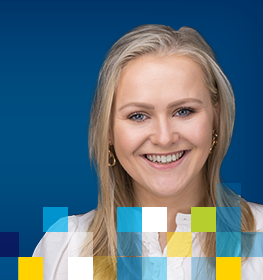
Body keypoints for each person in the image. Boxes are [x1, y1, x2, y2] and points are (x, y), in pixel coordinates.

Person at [32, 24, 263, 280]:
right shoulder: (62, 247)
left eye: (184, 111)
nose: (164, 138)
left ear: (216, 119)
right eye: (138, 115)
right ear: (108, 131)